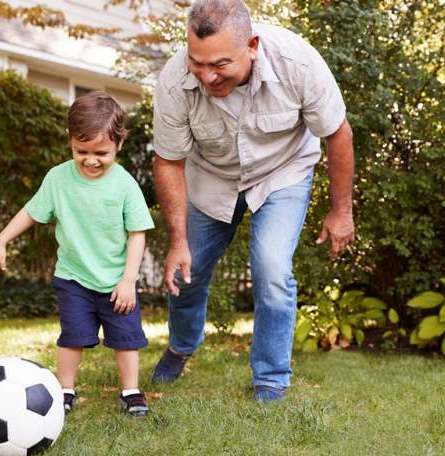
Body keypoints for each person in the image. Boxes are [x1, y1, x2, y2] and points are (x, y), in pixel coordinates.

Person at [151, 0, 355, 402]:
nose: (208, 76)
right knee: (184, 274)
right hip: (211, 177)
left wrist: (340, 211)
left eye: (220, 65)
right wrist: (177, 241)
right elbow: (168, 162)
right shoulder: (174, 81)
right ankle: (181, 346)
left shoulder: (297, 62)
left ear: (252, 45)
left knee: (273, 268)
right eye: (198, 63)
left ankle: (271, 378)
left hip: (283, 172)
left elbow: (337, 133)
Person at [0, 91, 155, 416]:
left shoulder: (124, 184)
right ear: (70, 141)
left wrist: (128, 279)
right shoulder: (58, 178)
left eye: (101, 152)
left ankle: (131, 391)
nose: (91, 159)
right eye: (82, 151)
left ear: (119, 144)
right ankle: (64, 390)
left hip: (116, 281)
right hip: (73, 278)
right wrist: (2, 238)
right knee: (72, 337)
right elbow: (32, 212)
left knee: (126, 338)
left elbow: (137, 235)